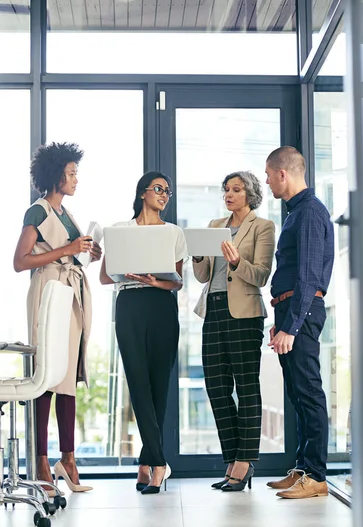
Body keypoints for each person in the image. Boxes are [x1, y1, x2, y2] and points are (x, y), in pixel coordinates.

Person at [13, 142, 102, 494]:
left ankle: (68, 459)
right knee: (47, 375)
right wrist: (68, 250)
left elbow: (69, 254)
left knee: (67, 375)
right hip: (48, 292)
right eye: (71, 173)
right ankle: (39, 461)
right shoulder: (37, 212)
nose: (76, 178)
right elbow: (20, 261)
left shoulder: (67, 214)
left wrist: (88, 252)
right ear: (56, 176)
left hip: (69, 291)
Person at [100, 171, 187, 494]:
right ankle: (160, 463)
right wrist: (130, 273)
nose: (164, 195)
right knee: (138, 383)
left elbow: (177, 281)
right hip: (130, 305)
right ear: (142, 193)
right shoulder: (122, 231)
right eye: (159, 189)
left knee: (158, 387)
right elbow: (105, 277)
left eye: (168, 191)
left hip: (162, 306)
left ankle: (146, 461)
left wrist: (156, 280)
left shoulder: (173, 232)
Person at [192, 171, 275, 491]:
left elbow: (262, 275)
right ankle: (232, 459)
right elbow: (202, 275)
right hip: (213, 310)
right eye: (226, 189)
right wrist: (199, 255)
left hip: (244, 314)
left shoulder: (263, 227)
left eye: (236, 189)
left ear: (250, 195)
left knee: (247, 386)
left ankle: (244, 462)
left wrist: (238, 261)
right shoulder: (214, 227)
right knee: (216, 385)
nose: (229, 194)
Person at [265, 146, 334, 499]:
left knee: (308, 392)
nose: (266, 181)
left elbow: (307, 277)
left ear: (282, 174)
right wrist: (281, 323)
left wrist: (291, 327)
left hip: (302, 313)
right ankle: (304, 469)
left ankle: (317, 476)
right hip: (290, 311)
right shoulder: (297, 213)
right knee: (296, 392)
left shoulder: (308, 213)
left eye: (268, 174)